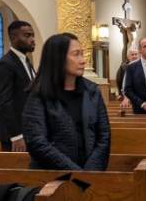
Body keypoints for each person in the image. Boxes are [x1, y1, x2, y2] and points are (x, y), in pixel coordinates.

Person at [22, 33, 110, 171]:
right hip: (51, 177)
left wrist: (90, 174)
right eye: (76, 54)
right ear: (58, 58)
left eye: (82, 54)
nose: (82, 60)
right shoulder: (38, 95)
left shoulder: (92, 91)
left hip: (90, 176)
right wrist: (75, 174)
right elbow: (37, 142)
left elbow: (103, 137)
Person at [0, 20, 37, 152]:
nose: (32, 39)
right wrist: (16, 136)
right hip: (15, 135)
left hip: (29, 130)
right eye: (27, 35)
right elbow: (4, 102)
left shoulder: (25, 61)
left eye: (32, 35)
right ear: (13, 38)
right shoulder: (5, 64)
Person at [124, 37, 146, 114]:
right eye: (145, 46)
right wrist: (143, 104)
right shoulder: (132, 67)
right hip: (140, 111)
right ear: (140, 50)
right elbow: (128, 90)